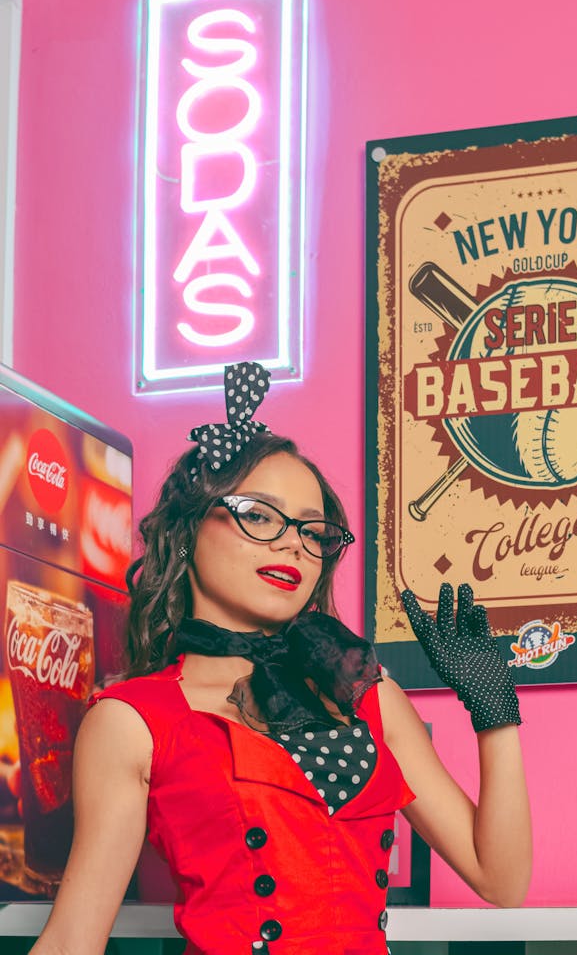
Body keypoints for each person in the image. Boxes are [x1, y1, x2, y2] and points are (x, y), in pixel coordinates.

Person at [30, 363, 531, 955]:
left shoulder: (363, 694)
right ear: (188, 529)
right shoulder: (133, 718)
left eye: (314, 531)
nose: (294, 541)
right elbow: (72, 941)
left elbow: (500, 879)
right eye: (259, 515)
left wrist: (494, 713)